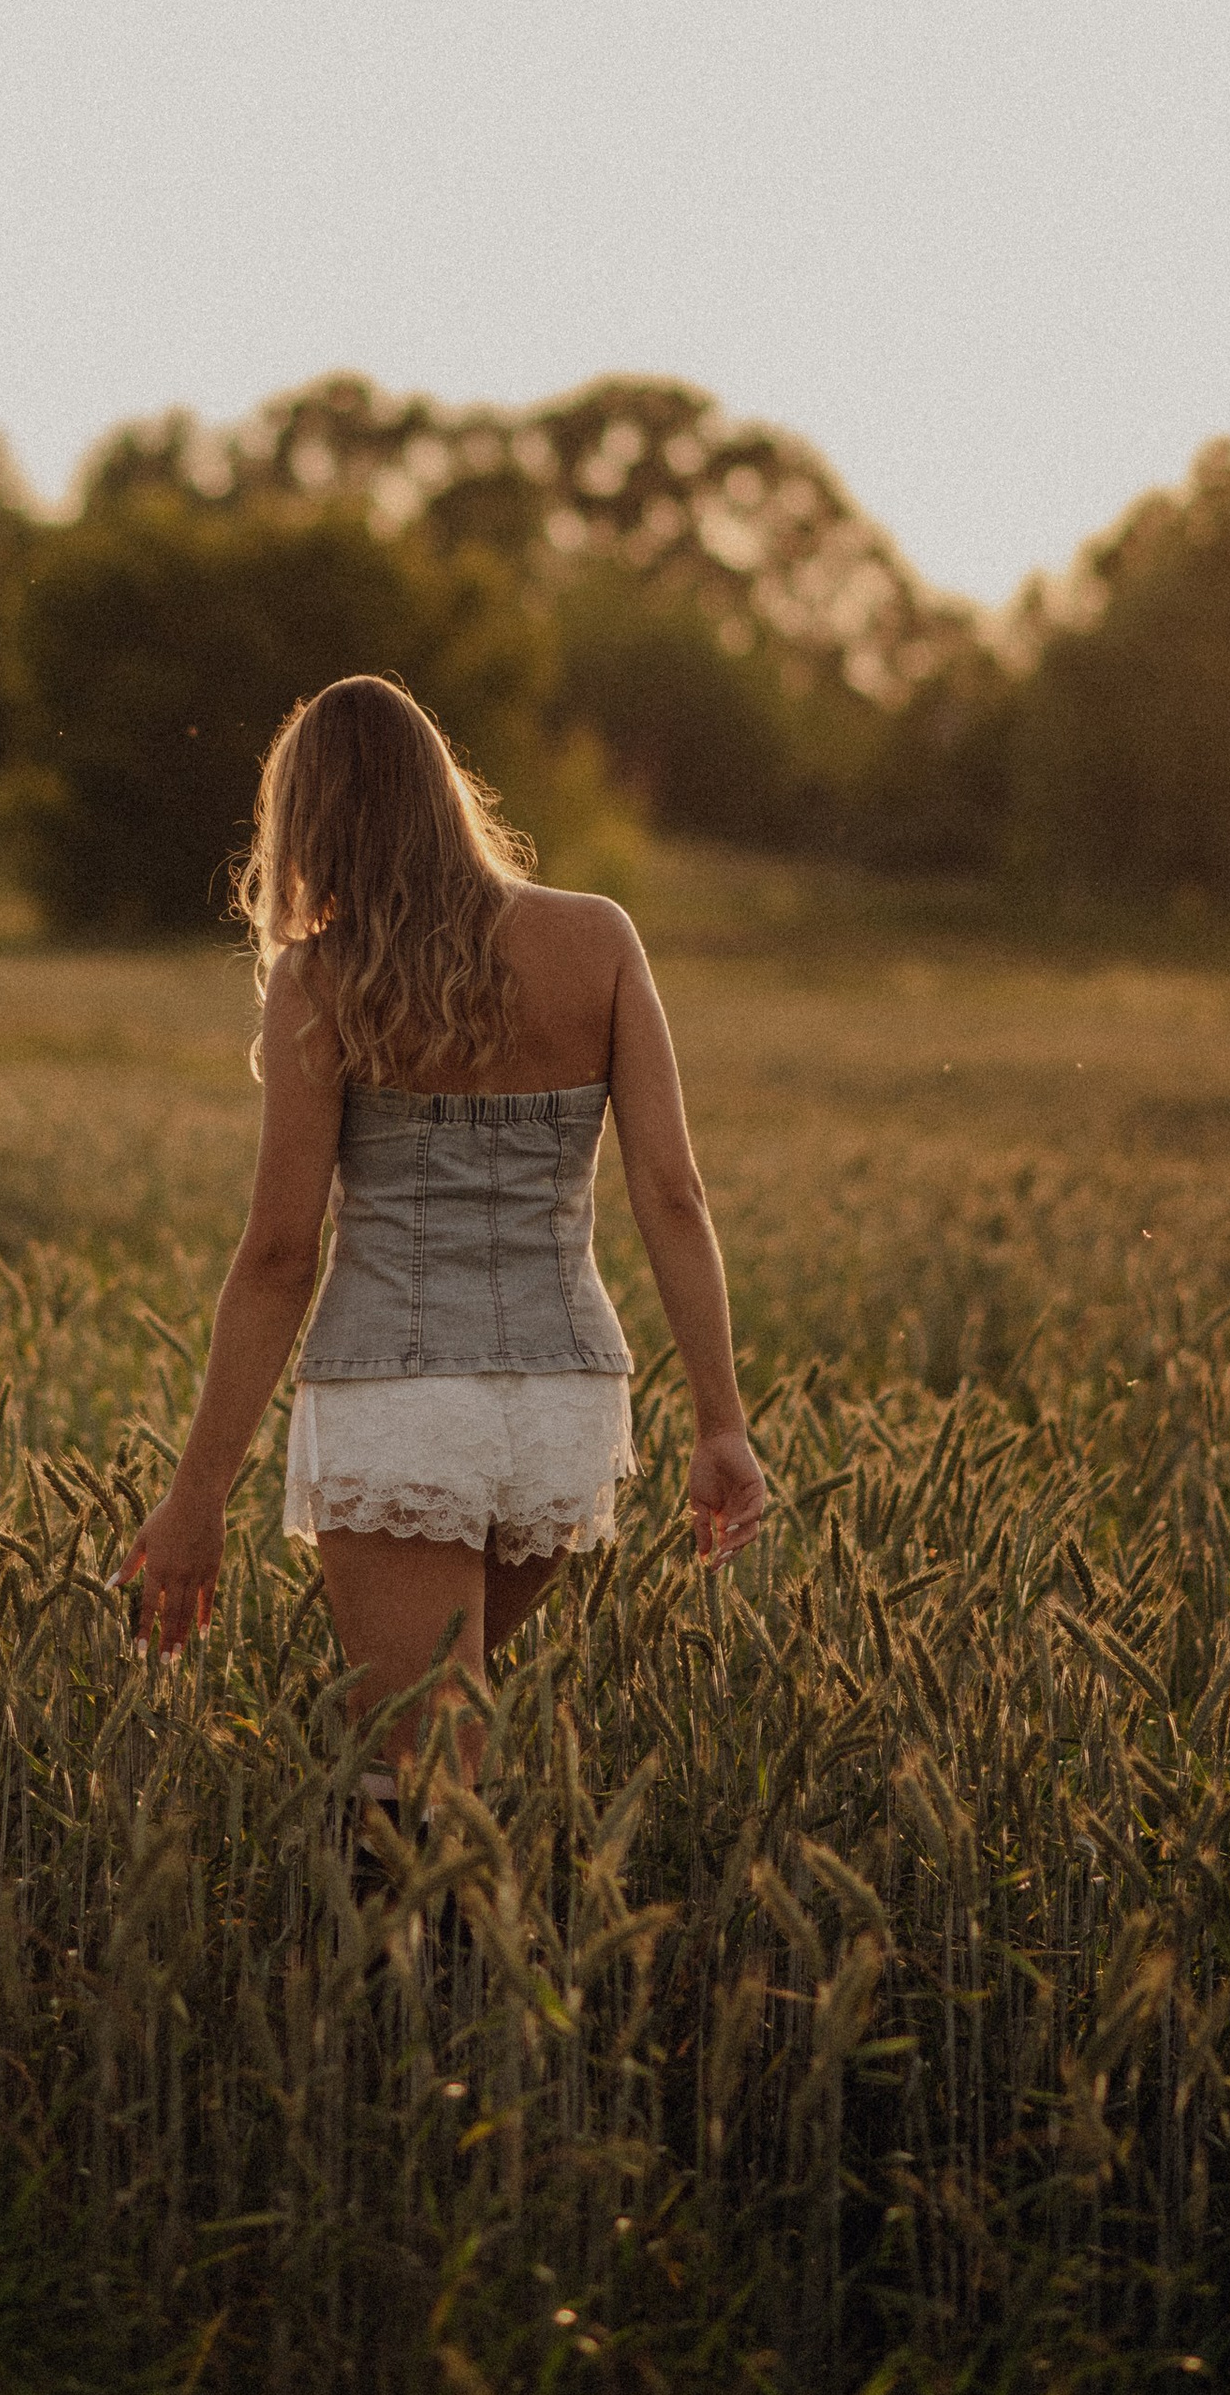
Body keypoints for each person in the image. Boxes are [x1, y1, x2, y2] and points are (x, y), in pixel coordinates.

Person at [120, 674, 769, 1779]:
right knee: (427, 1738)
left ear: (308, 822)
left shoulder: (321, 979)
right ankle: (431, 1944)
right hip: (564, 1405)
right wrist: (720, 1422)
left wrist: (195, 1498)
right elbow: (675, 1195)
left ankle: (432, 1953)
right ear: (443, 793)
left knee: (423, 1764)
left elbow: (281, 1253)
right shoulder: (599, 940)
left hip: (399, 1404)